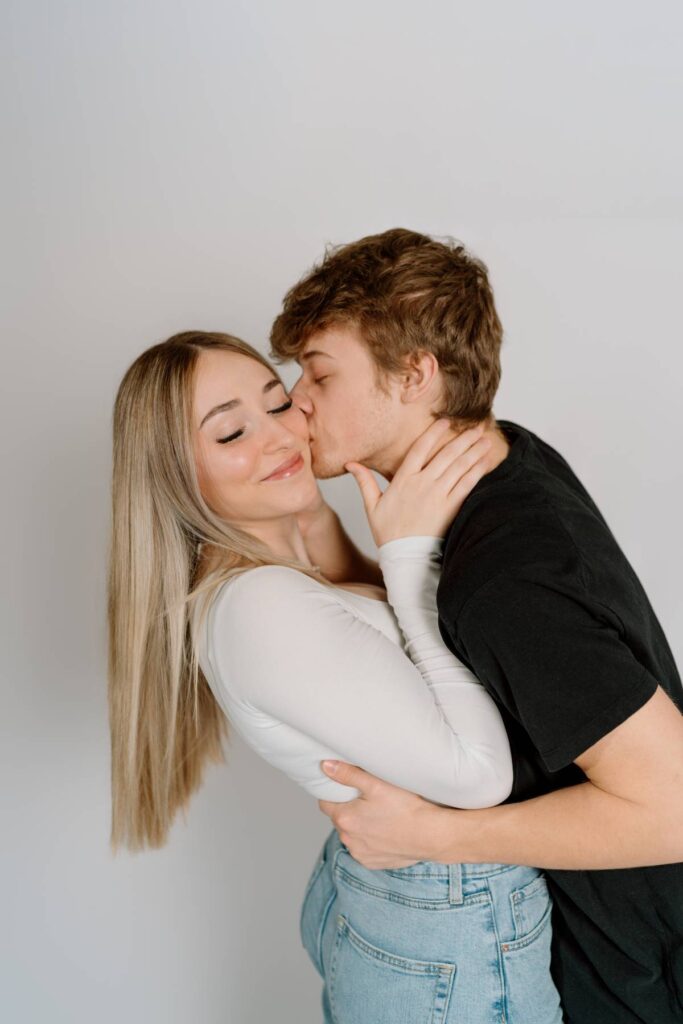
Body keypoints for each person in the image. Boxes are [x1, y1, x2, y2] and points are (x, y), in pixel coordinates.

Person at [269, 226, 683, 1024]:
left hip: (621, 975)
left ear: (415, 374)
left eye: (318, 372)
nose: (297, 399)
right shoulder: (498, 463)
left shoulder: (503, 575)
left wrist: (428, 835)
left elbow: (675, 807)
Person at [107, 330, 566, 1024]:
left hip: (415, 904)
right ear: (174, 477)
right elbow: (476, 776)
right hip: (446, 916)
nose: (280, 436)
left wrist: (318, 513)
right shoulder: (260, 606)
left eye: (278, 402)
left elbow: (360, 620)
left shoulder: (277, 572)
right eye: (231, 433)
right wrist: (412, 559)